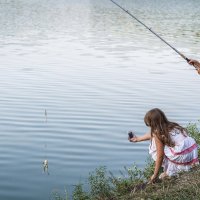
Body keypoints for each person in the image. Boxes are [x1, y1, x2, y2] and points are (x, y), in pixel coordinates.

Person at [129, 108, 199, 183]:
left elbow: (160, 156)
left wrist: (154, 176)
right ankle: (177, 168)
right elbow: (153, 134)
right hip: (191, 152)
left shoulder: (158, 134)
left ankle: (168, 172)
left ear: (152, 123)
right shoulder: (173, 125)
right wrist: (138, 139)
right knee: (164, 143)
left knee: (155, 147)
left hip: (181, 156)